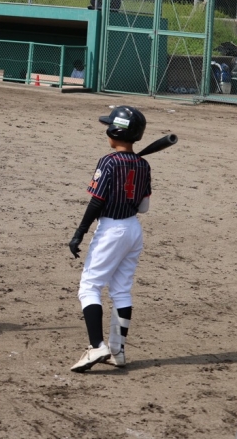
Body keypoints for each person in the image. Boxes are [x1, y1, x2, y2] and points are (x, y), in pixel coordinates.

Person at [68, 105, 152, 373]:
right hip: (133, 230)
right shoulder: (143, 164)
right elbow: (144, 207)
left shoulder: (108, 161)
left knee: (89, 286)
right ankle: (117, 350)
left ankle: (97, 346)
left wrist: (80, 232)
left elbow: (96, 201)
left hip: (111, 230)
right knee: (121, 290)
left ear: (116, 132)